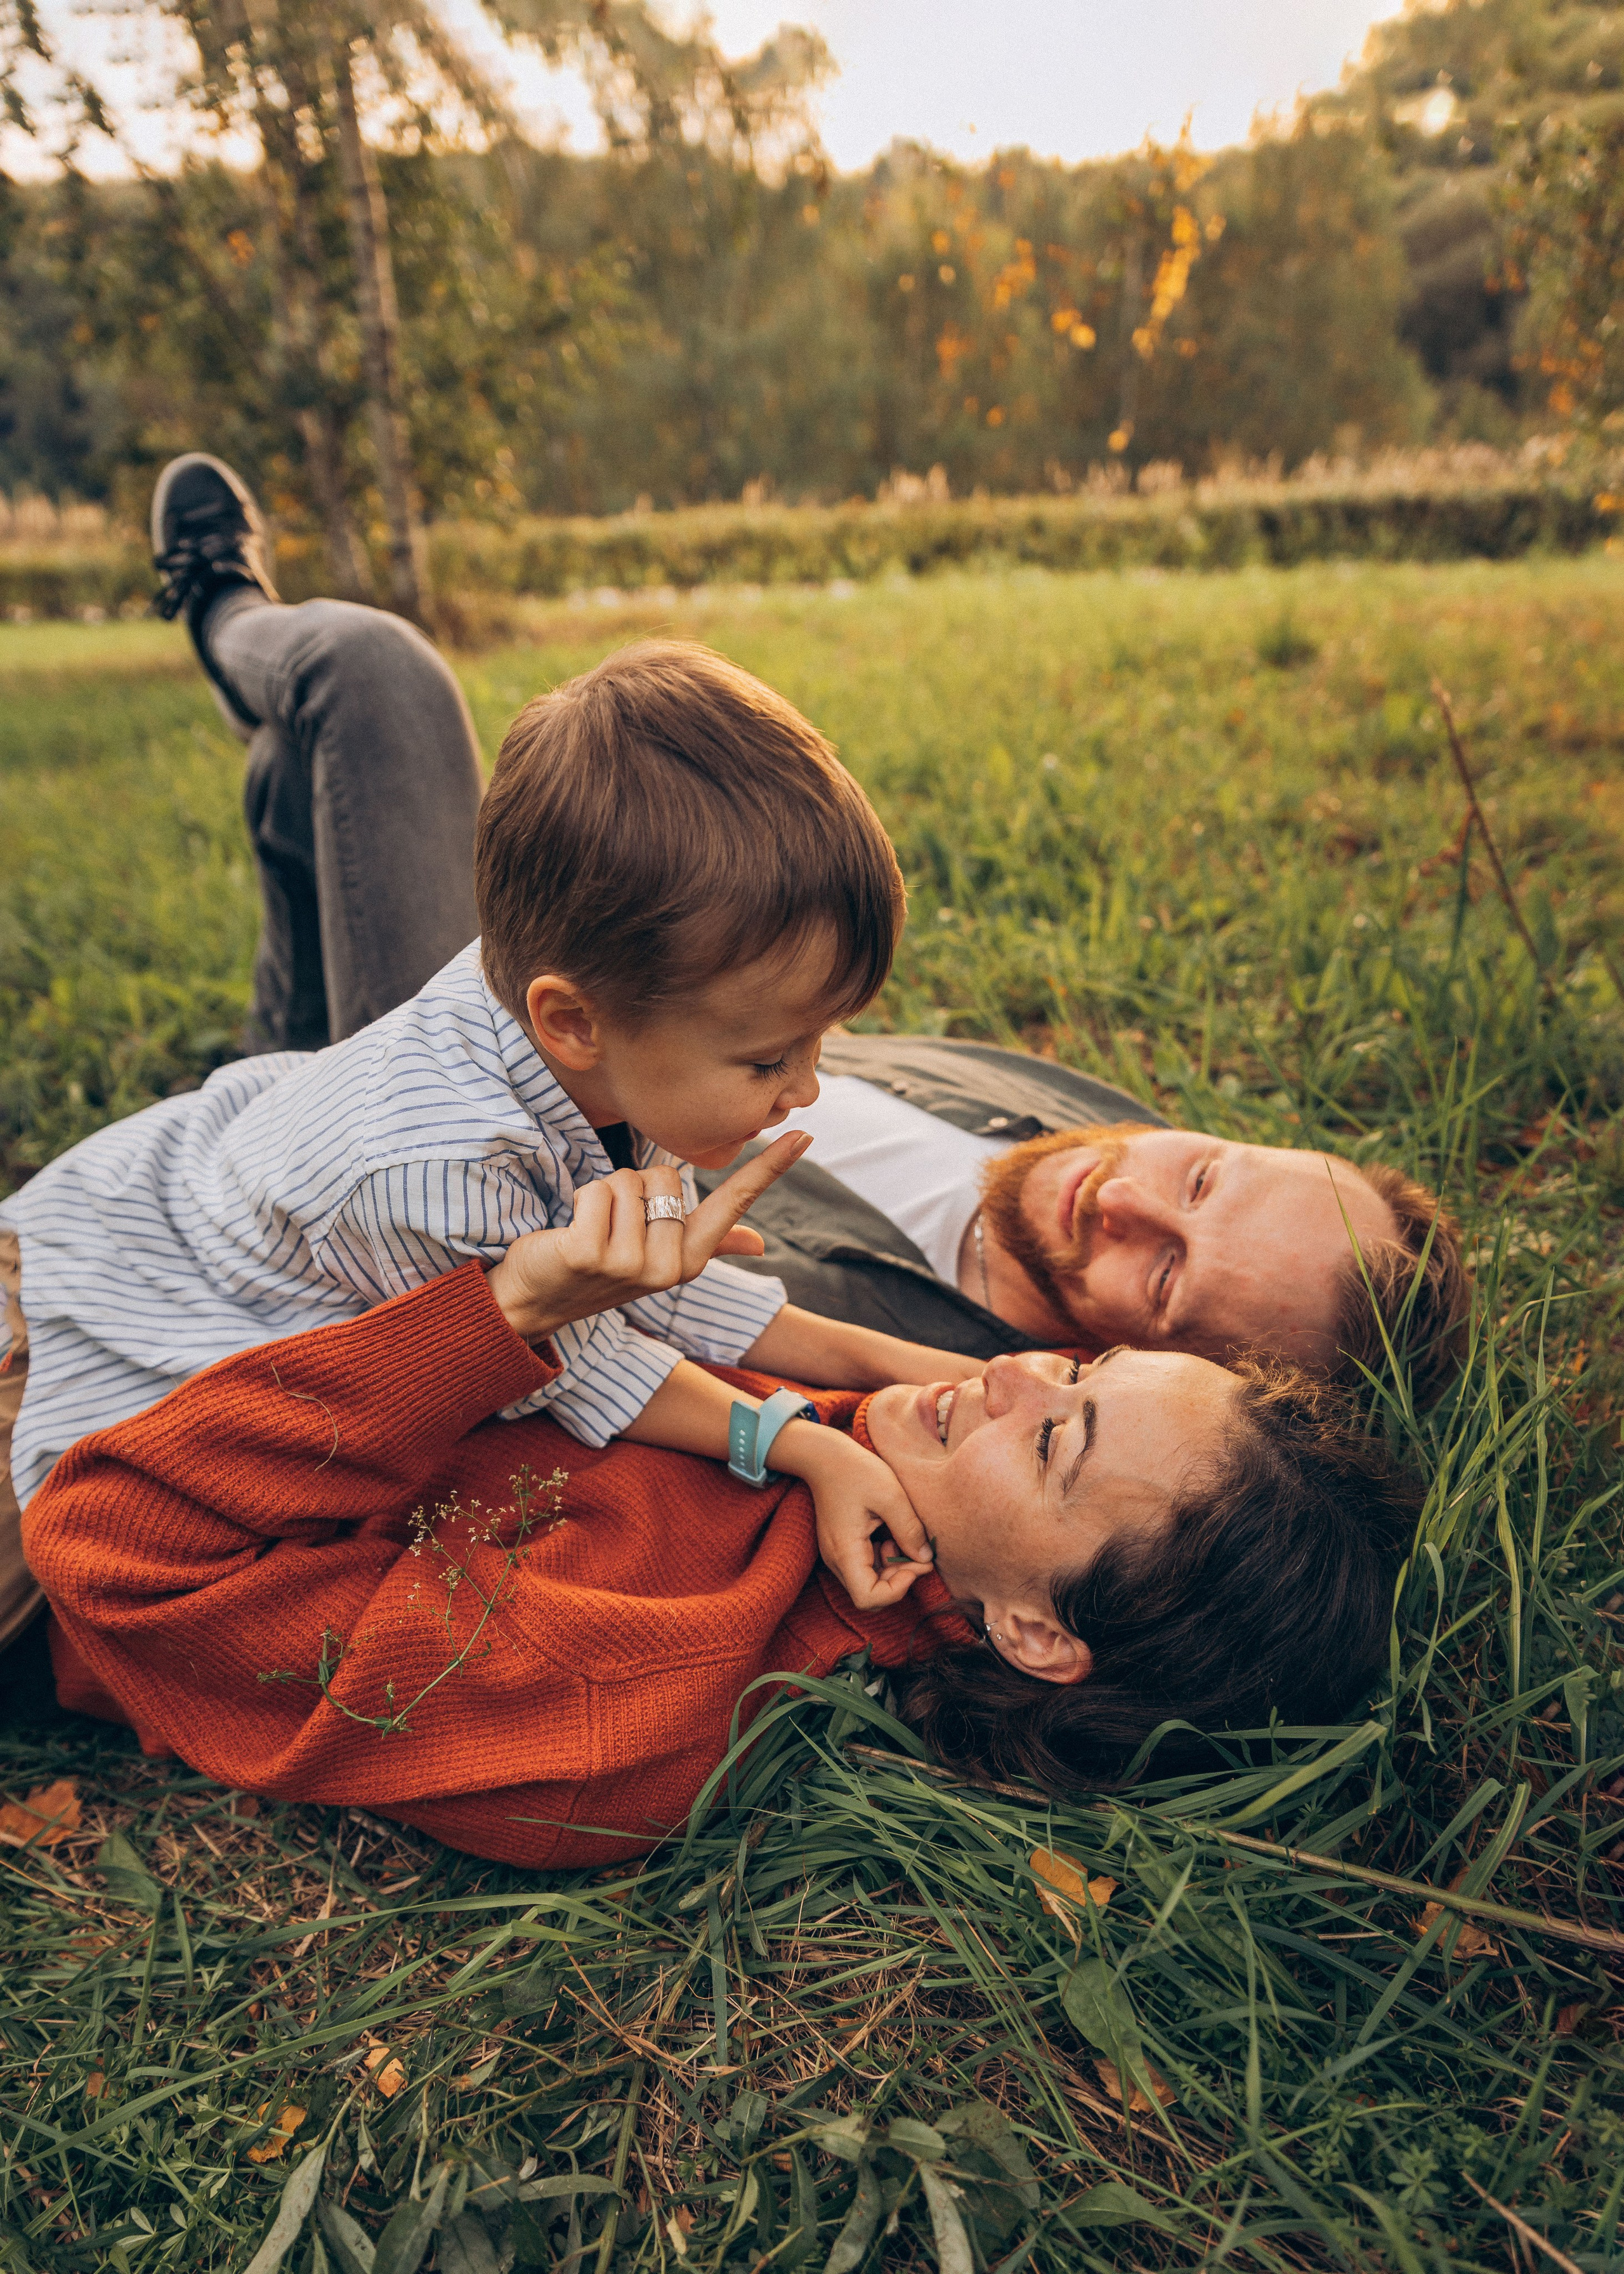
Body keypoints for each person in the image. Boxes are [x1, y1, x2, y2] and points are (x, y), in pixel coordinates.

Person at [22, 1252, 1421, 1867]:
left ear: (1034, 1634)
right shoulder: (877, 1443)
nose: (1008, 1378)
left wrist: (503, 1317)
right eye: (1080, 1364)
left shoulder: (644, 1687)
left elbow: (122, 1552)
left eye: (1056, 1442)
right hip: (164, 1269)